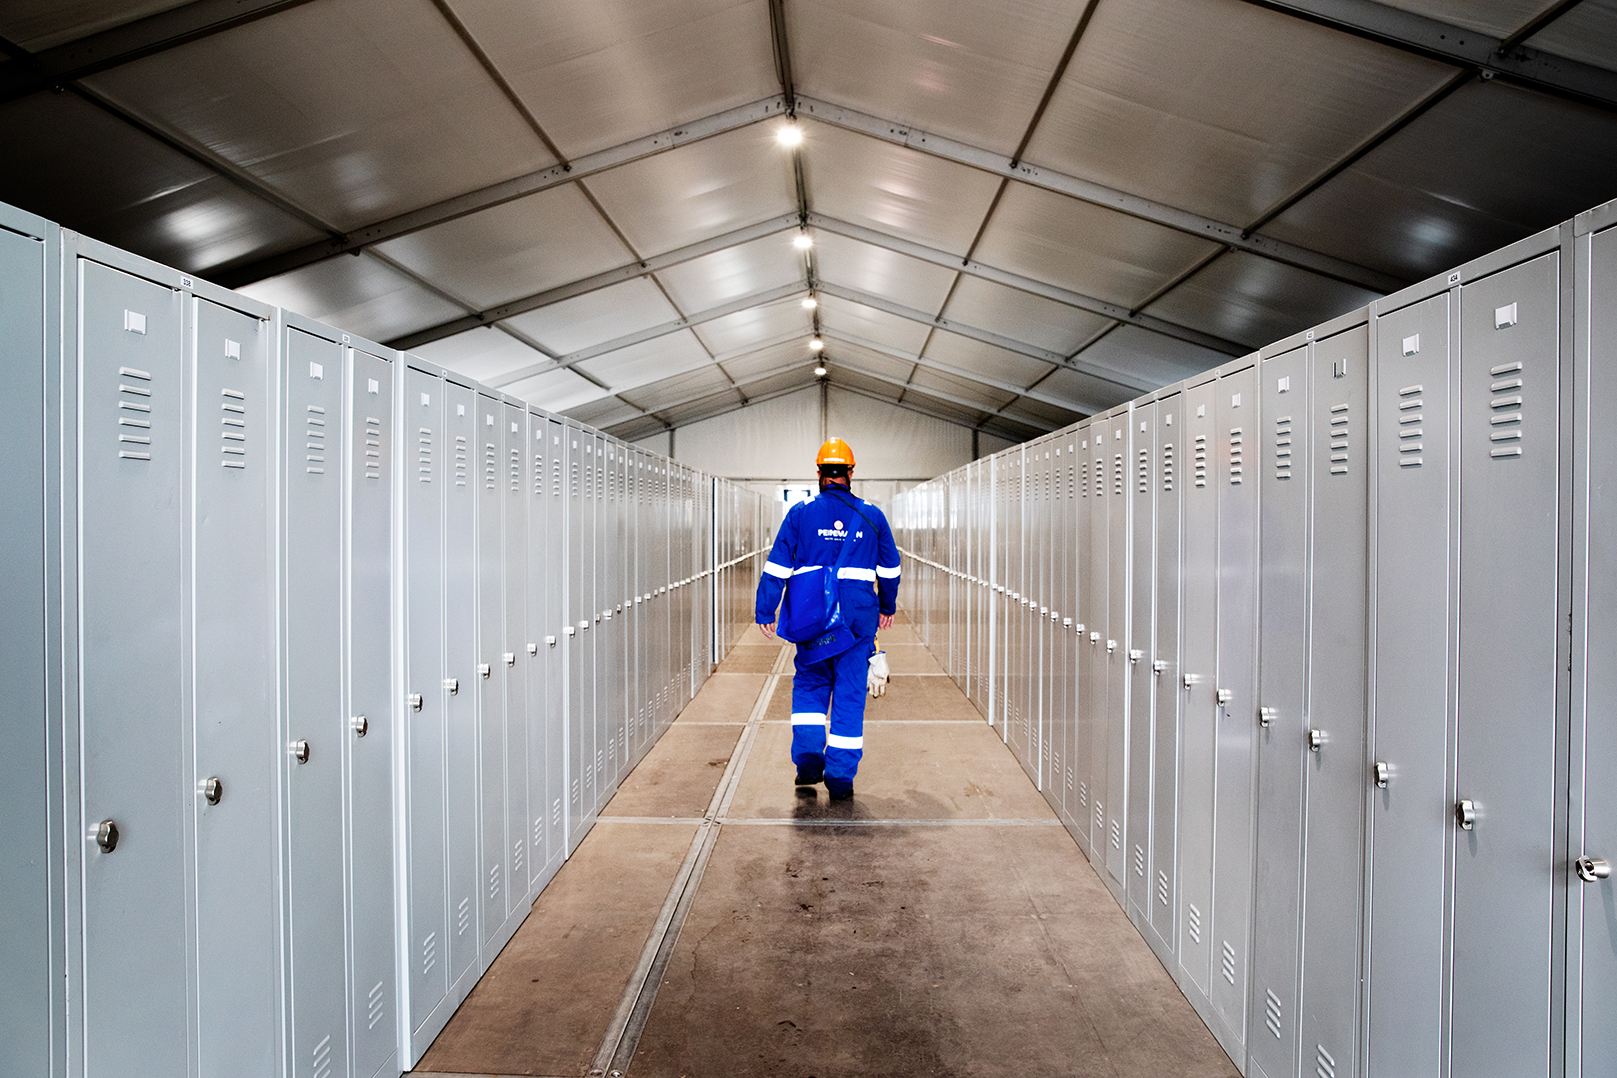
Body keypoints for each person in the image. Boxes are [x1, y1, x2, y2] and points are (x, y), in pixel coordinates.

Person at [756, 438, 900, 800]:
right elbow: (891, 569)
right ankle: (840, 778)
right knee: (850, 696)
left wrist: (766, 610)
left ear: (819, 473)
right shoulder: (873, 515)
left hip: (814, 618)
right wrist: (888, 606)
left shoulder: (800, 513)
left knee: (810, 685)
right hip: (858, 621)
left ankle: (807, 760)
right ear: (850, 473)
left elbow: (777, 566)